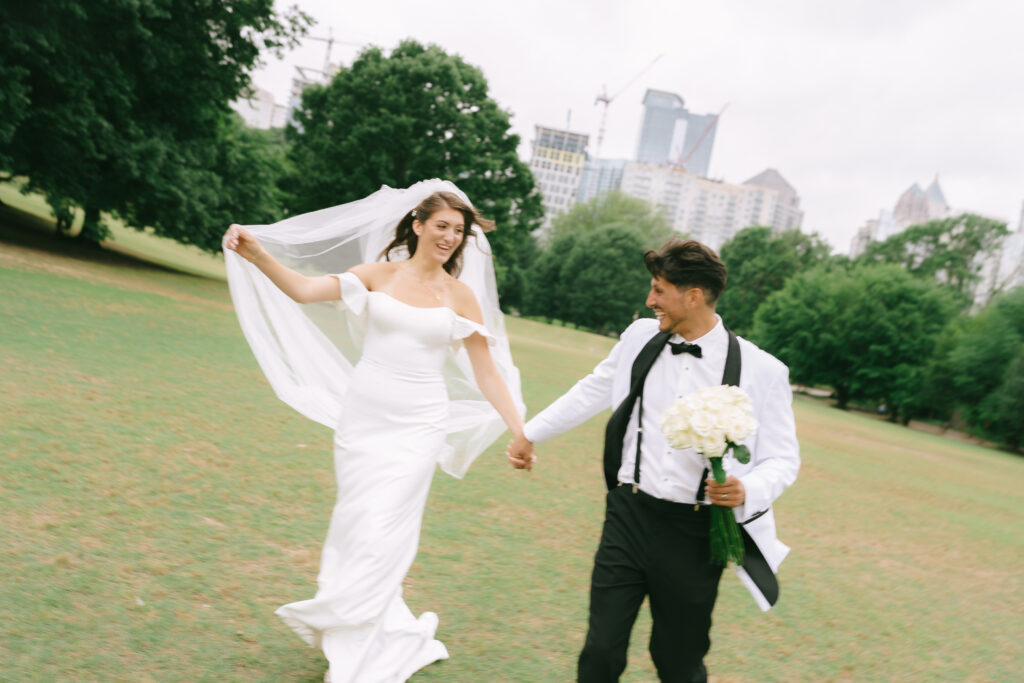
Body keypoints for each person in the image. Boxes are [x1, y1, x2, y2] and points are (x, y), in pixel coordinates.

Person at [223, 181, 526, 683]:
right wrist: (256, 254)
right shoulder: (377, 276)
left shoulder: (460, 297)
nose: (450, 237)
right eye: (442, 226)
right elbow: (302, 289)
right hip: (364, 419)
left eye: (459, 230)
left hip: (420, 423)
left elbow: (487, 372)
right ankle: (360, 625)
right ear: (418, 225)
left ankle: (357, 638)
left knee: (386, 528)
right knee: (357, 523)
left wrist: (520, 429)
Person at [506, 239, 800, 682]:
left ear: (693, 295)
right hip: (629, 513)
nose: (650, 300)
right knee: (601, 650)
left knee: (677, 660)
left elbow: (783, 458)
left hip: (696, 534)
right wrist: (530, 434)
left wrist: (747, 489)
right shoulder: (640, 337)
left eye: (659, 290)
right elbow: (594, 388)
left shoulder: (763, 370)